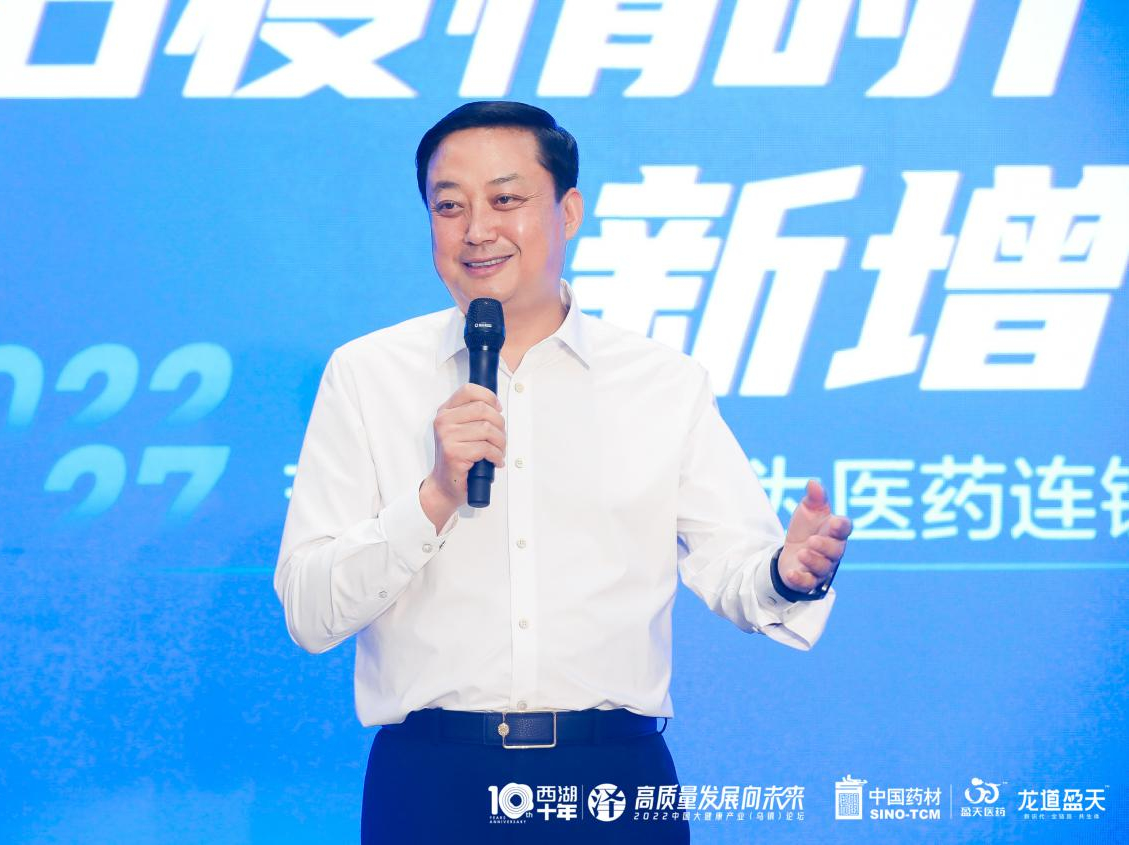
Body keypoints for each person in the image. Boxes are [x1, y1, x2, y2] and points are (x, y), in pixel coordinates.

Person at [274, 101, 853, 844]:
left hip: (612, 780)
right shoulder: (367, 375)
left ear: (568, 211)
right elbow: (309, 610)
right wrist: (434, 497)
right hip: (431, 781)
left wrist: (788, 573)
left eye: (505, 200)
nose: (476, 229)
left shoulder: (660, 381)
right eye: (449, 207)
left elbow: (737, 570)